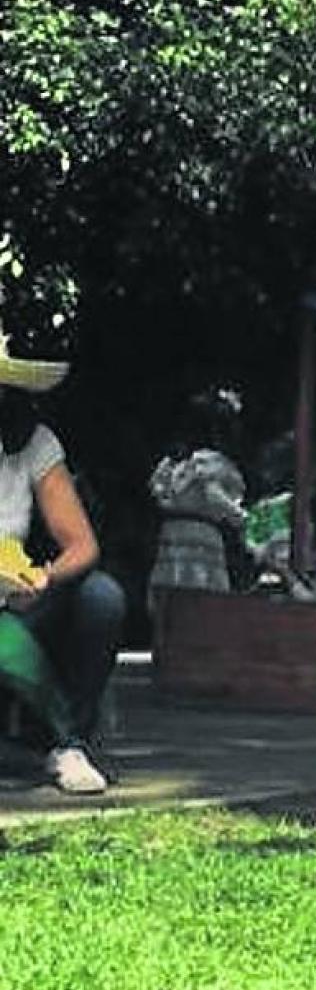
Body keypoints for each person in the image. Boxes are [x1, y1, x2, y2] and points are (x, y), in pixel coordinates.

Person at [0, 332, 125, 795]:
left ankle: (67, 741)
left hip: (16, 603)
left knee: (101, 597)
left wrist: (42, 578)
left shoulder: (32, 443)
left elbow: (81, 545)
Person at [146, 385, 248, 622]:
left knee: (173, 589)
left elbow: (157, 493)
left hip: (172, 531)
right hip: (201, 534)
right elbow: (215, 497)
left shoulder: (173, 464)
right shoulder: (212, 464)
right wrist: (241, 518)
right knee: (200, 593)